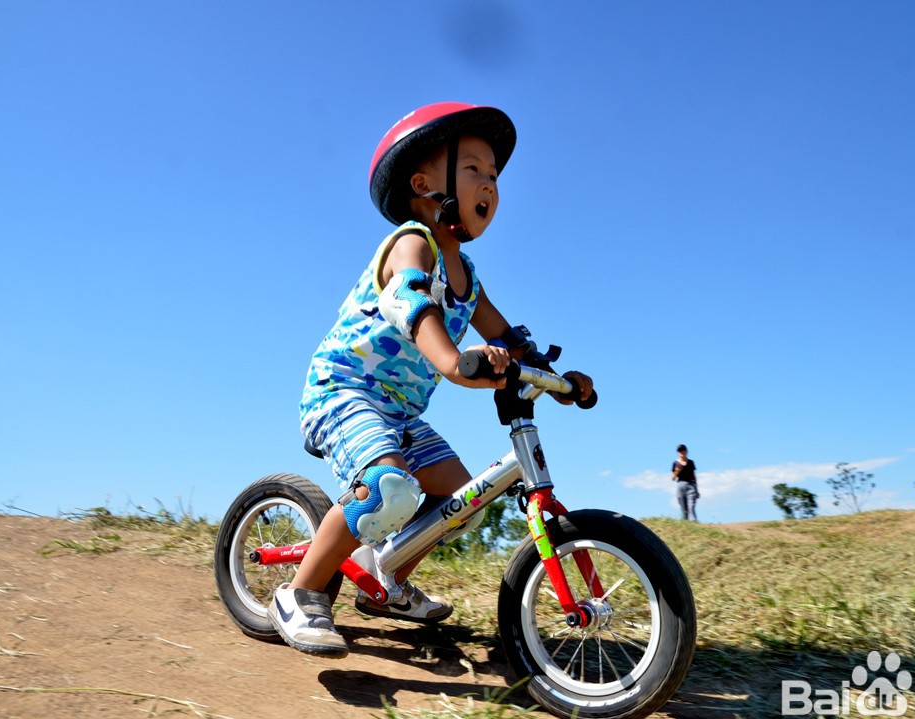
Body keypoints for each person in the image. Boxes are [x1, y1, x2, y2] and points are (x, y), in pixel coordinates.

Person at [272, 102, 594, 658]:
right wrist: (452, 359)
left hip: (399, 411)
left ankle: (384, 578)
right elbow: (408, 298)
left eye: (494, 175)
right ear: (424, 185)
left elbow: (507, 336)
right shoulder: (413, 242)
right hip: (345, 388)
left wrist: (557, 378)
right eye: (473, 169)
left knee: (460, 499)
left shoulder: (469, 278)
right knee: (387, 489)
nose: (489, 183)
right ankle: (300, 594)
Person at [671, 444, 698, 521]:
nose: (681, 452)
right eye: (679, 451)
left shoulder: (691, 462)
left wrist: (697, 489)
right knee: (683, 507)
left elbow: (694, 476)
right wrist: (677, 471)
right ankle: (686, 522)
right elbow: (673, 478)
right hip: (680, 485)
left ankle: (694, 521)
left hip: (691, 485)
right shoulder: (676, 463)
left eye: (683, 450)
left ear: (686, 451)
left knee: (691, 506)